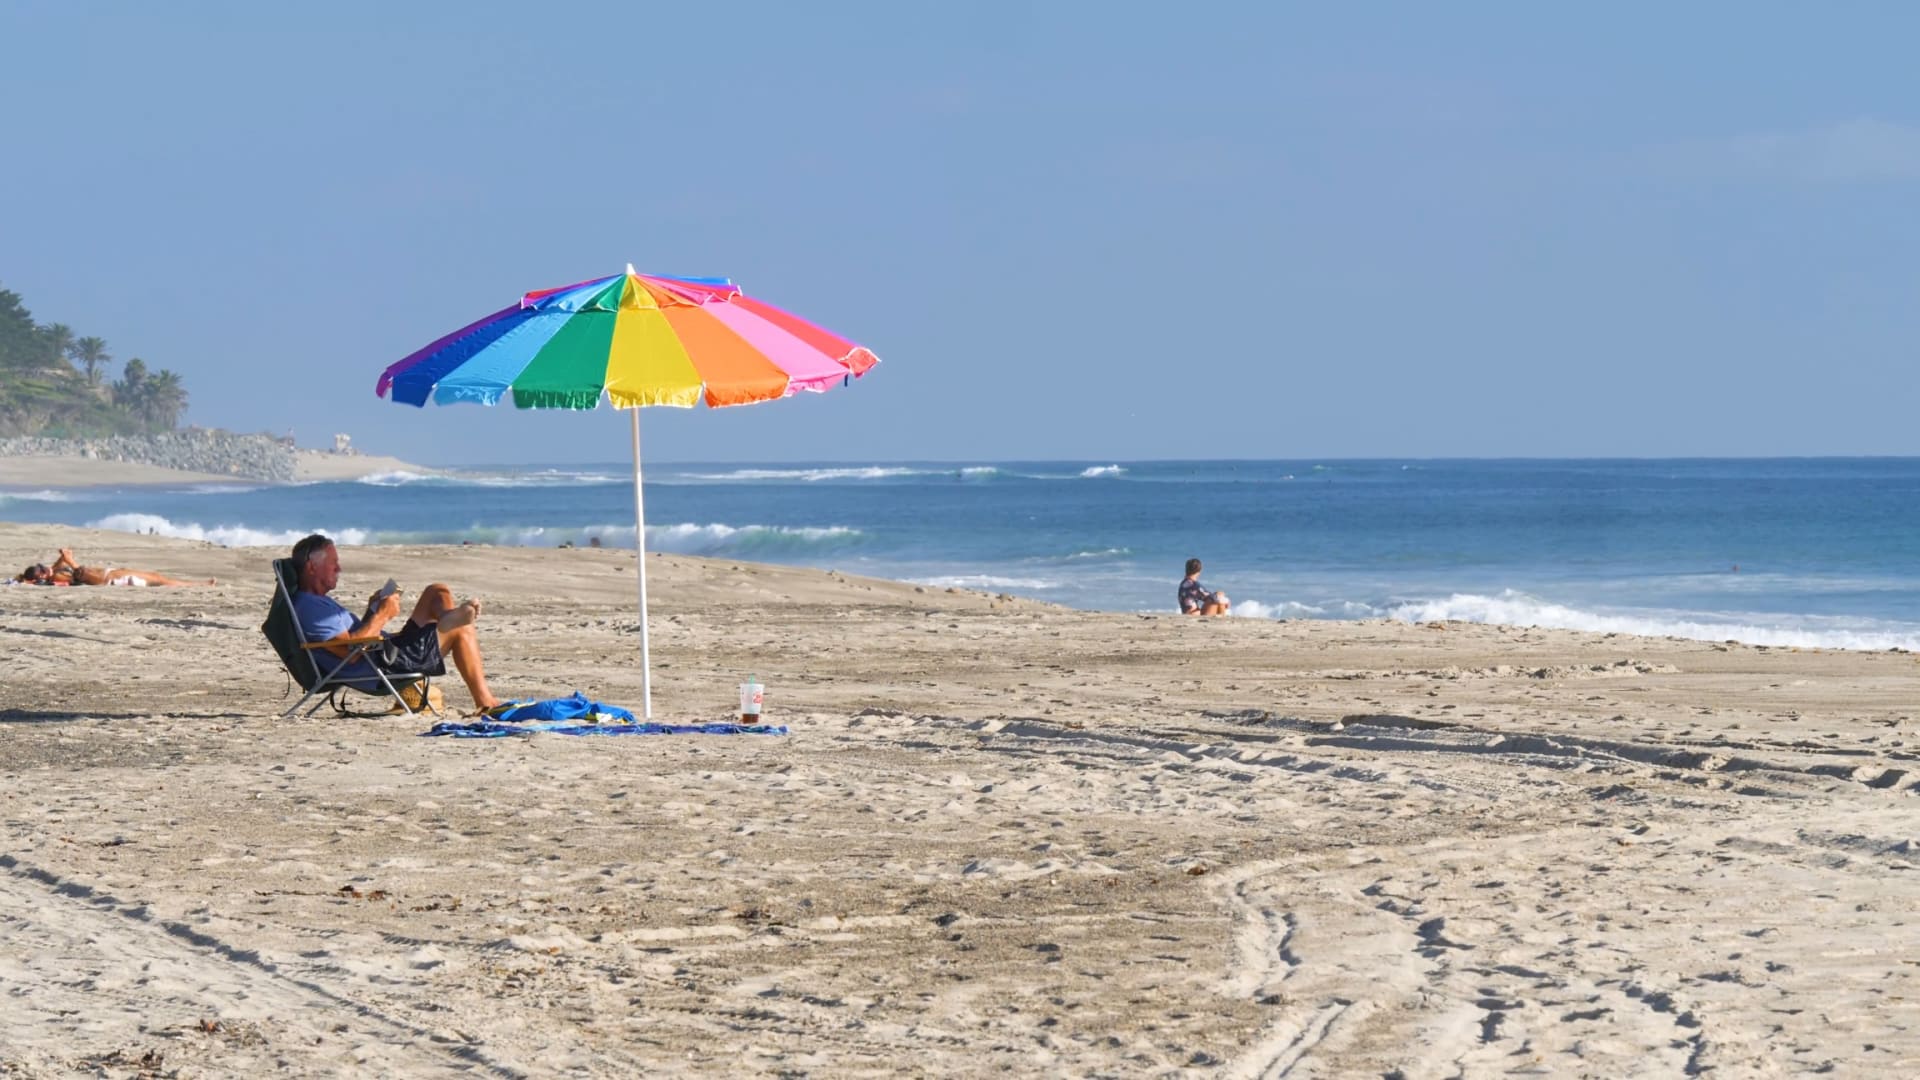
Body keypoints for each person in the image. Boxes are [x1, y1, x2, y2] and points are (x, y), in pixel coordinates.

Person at [288, 533, 502, 712]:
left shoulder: (317, 602)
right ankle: (485, 702)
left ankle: (446, 617)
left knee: (437, 590)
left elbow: (349, 641)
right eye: (333, 564)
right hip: (384, 666)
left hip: (385, 653)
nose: (339, 569)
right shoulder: (310, 608)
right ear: (311, 567)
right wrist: (382, 614)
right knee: (461, 629)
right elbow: (349, 653)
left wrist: (371, 611)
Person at [15, 547, 213, 587]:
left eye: (42, 566)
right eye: (42, 570)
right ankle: (200, 585)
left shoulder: (53, 572)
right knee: (159, 580)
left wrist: (63, 557)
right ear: (40, 578)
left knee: (156, 576)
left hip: (111, 575)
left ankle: (199, 584)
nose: (46, 569)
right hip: (111, 580)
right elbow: (80, 575)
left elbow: (57, 565)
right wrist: (70, 560)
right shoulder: (55, 579)